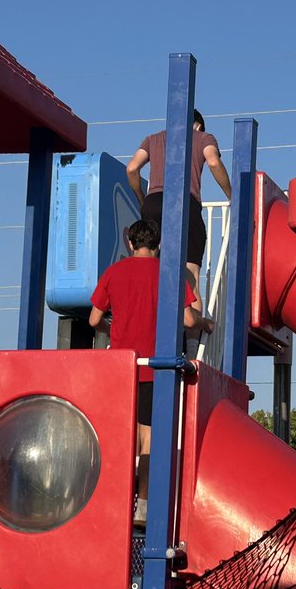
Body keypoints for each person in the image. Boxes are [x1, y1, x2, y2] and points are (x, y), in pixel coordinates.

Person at [88, 220, 212, 521]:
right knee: (149, 439)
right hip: (157, 368)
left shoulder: (113, 272)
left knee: (121, 437)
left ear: (130, 243)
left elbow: (93, 320)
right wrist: (207, 323)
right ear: (159, 245)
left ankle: (115, 502)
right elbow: (188, 320)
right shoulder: (169, 273)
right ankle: (142, 506)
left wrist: (113, 329)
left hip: (123, 368)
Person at [126, 109, 232, 296]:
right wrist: (233, 196)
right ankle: (192, 316)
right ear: (197, 125)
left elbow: (132, 169)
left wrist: (143, 199)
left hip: (153, 203)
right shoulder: (203, 137)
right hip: (185, 204)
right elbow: (214, 162)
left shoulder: (152, 139)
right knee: (191, 278)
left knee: (151, 270)